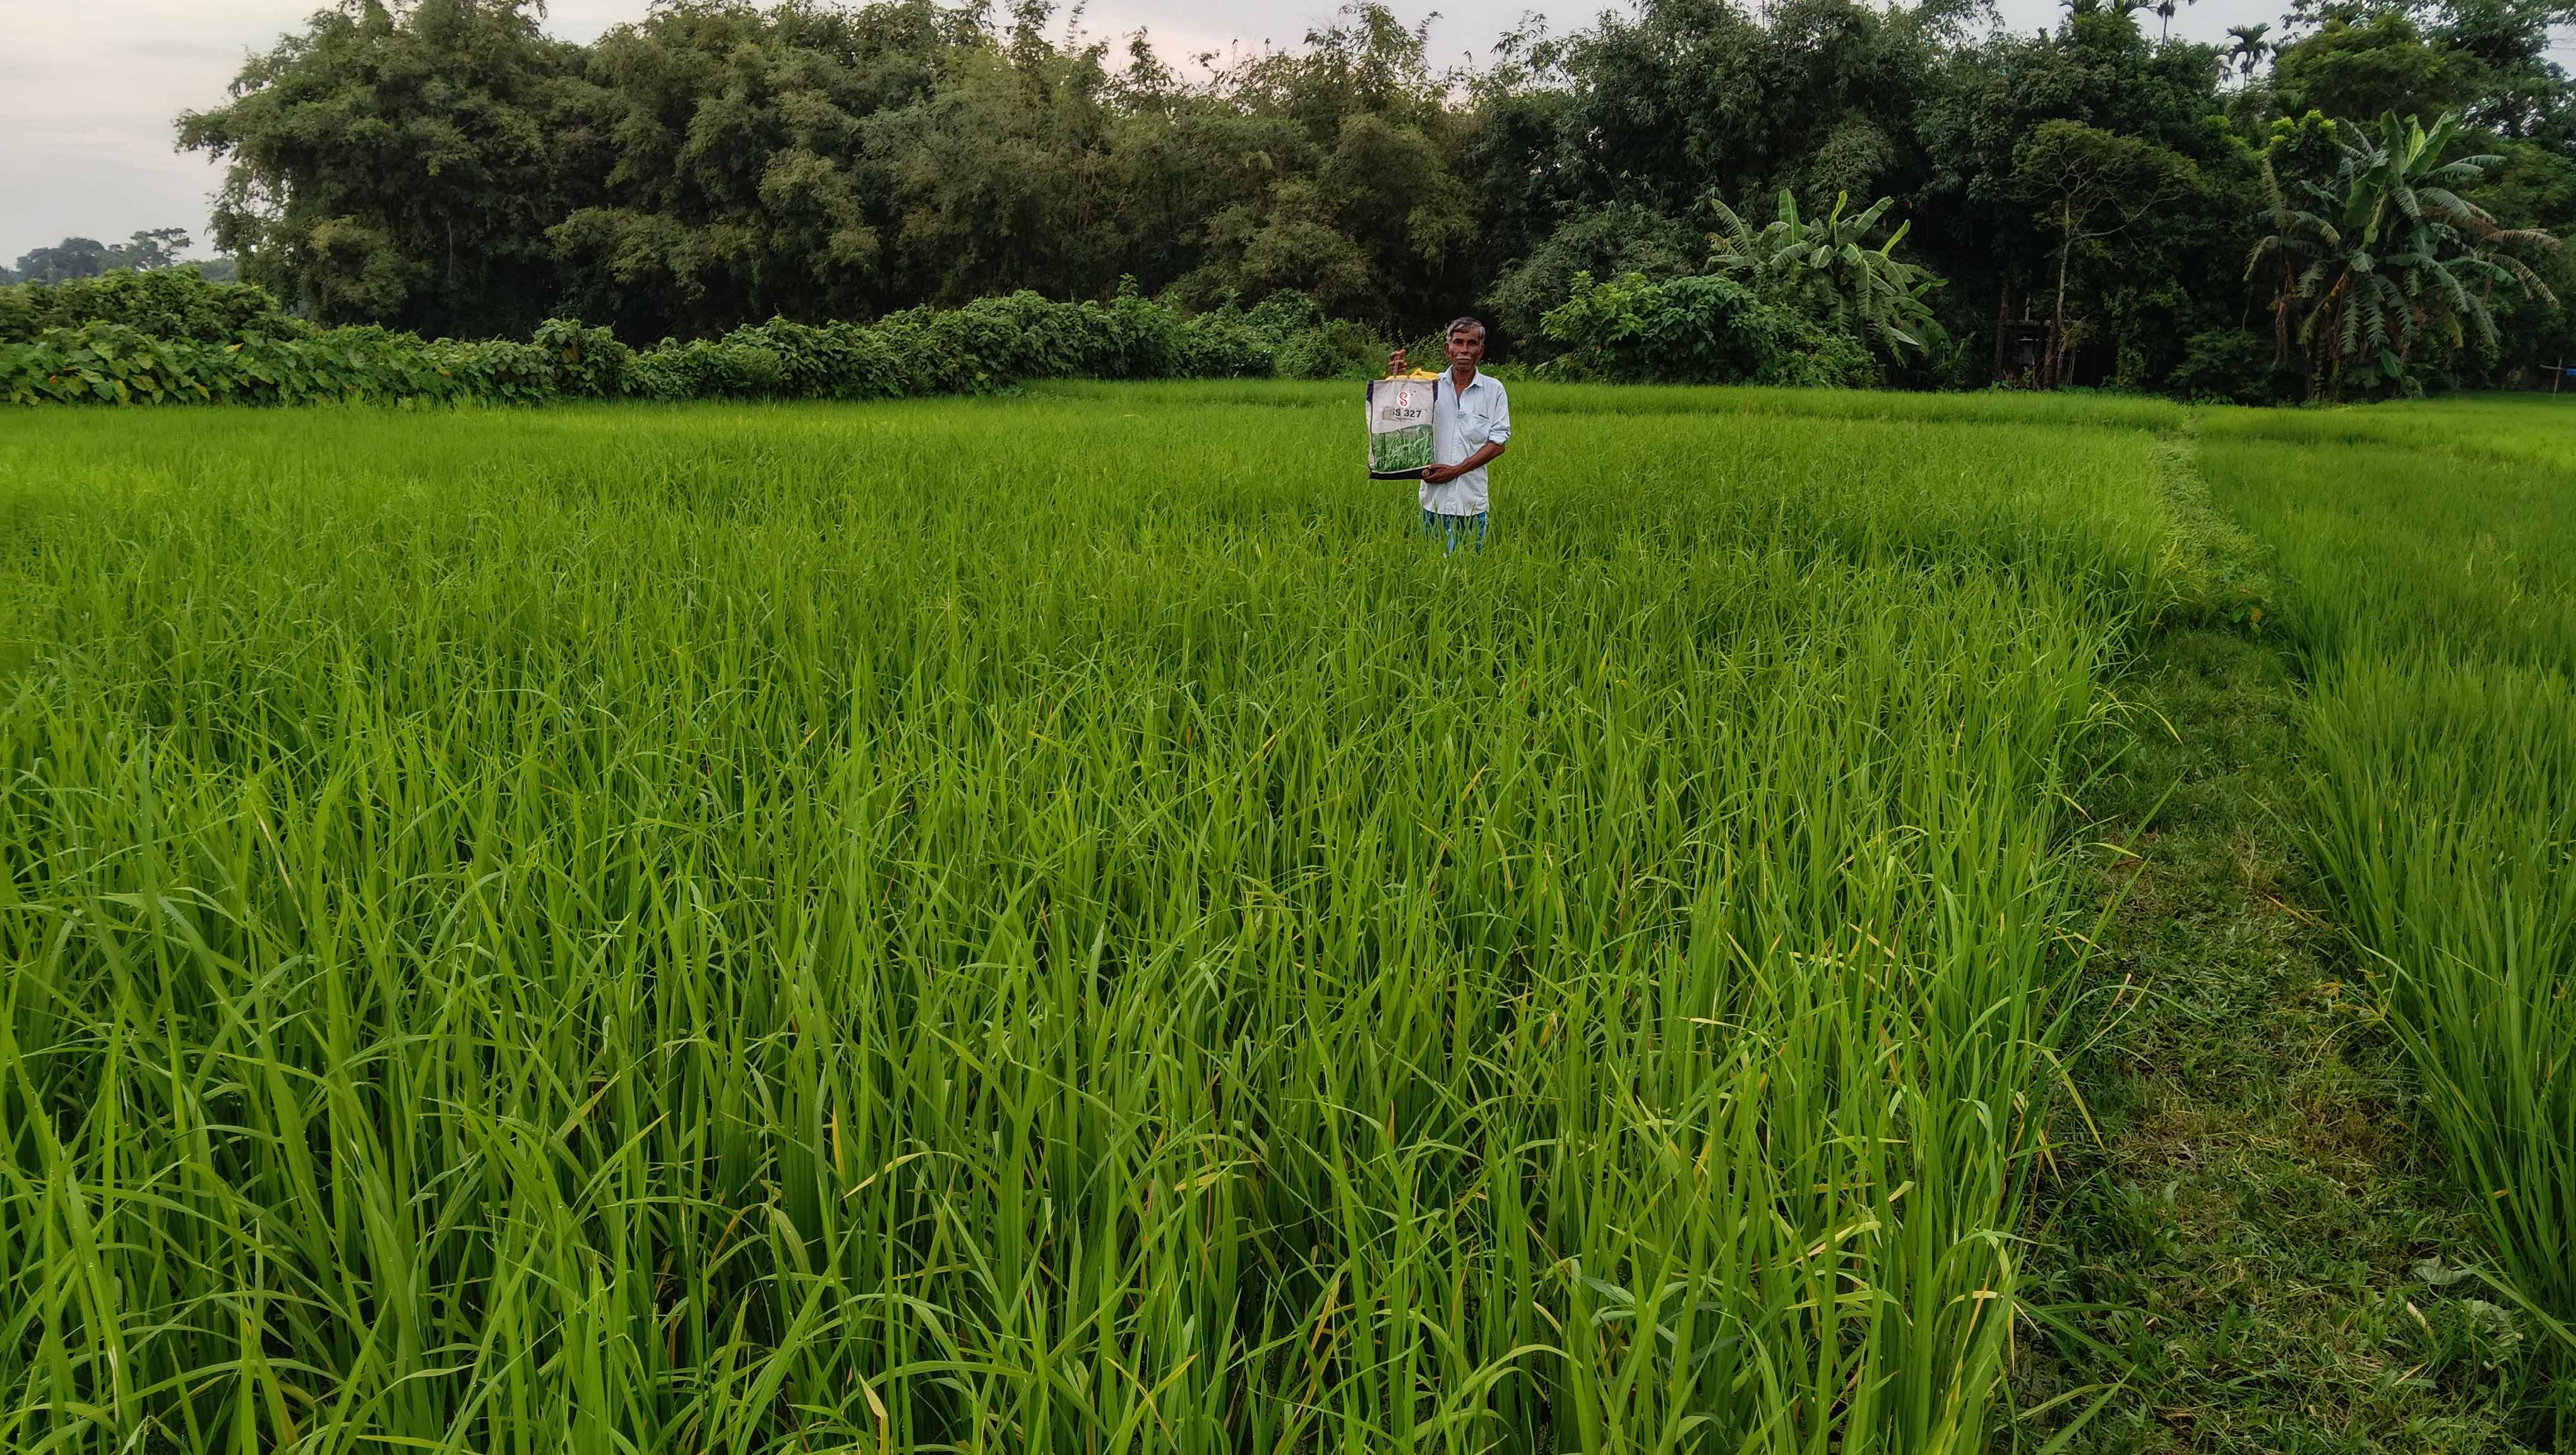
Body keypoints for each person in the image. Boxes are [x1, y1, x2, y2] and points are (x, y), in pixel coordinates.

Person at [1387, 316, 1510, 553]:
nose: (1464, 350)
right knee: (1431, 566)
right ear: (1448, 349)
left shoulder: (1494, 390)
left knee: (1469, 569)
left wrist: (1455, 471)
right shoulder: (1427, 386)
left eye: (1472, 343)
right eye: (1458, 342)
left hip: (1471, 503)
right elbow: (1397, 418)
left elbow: (1498, 444)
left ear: (1481, 350)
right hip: (1433, 501)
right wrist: (1395, 378)